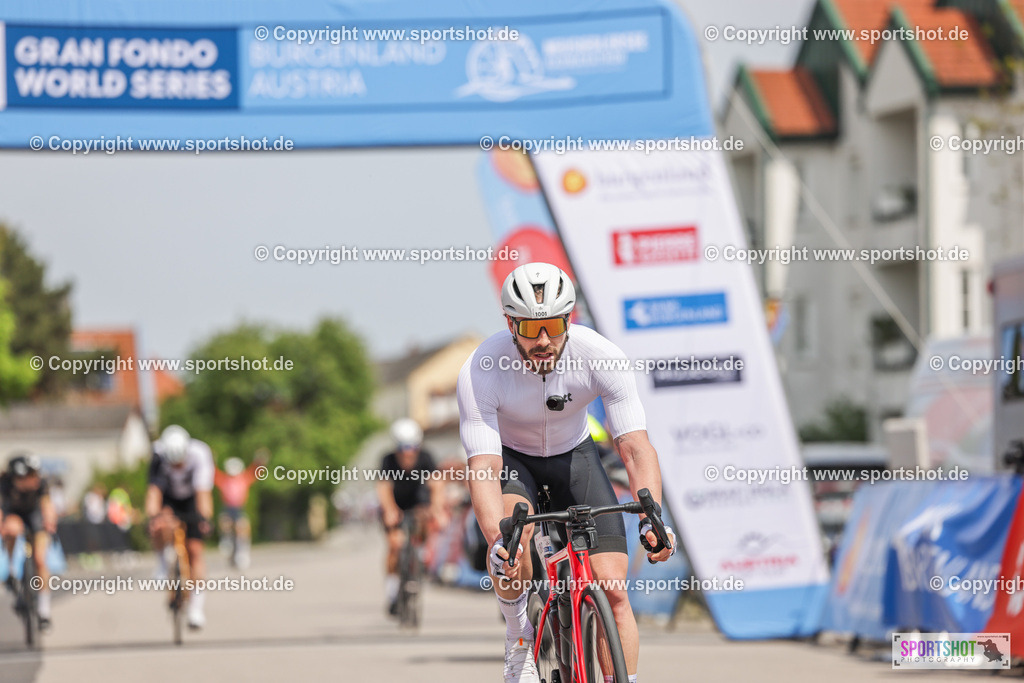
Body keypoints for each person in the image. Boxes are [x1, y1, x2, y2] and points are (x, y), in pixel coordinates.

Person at [457, 262, 676, 683]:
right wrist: (497, 542)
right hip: (512, 460)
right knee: (513, 542)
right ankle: (519, 636)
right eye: (529, 329)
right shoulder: (482, 368)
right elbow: (484, 466)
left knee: (613, 589)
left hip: (574, 457)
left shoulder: (600, 355)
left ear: (569, 318)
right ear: (509, 323)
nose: (543, 340)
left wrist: (654, 517)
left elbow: (633, 445)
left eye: (555, 326)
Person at [145, 425, 215, 629]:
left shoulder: (200, 454)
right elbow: (154, 493)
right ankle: (161, 565)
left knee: (195, 550)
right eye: (172, 464)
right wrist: (153, 518)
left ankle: (196, 609)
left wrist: (204, 519)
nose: (176, 467)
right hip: (169, 498)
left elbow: (203, 494)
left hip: (192, 497)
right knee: (159, 524)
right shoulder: (158, 455)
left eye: (179, 463)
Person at [377, 418, 445, 616]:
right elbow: (383, 487)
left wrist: (437, 509)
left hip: (417, 503)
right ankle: (392, 593)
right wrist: (390, 510)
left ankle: (420, 552)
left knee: (426, 518)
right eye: (403, 448)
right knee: (395, 544)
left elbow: (437, 485)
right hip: (395, 503)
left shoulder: (426, 458)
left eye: (412, 447)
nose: (408, 453)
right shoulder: (388, 460)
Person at [0, 453, 57, 630]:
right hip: (14, 514)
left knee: (40, 559)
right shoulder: (5, 484)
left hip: (35, 516)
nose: (35, 479)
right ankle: (11, 570)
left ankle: (44, 610)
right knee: (12, 529)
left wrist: (50, 521)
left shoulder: (41, 484)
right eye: (30, 476)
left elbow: (47, 506)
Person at [214, 450, 267, 569]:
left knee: (242, 527)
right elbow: (214, 473)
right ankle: (226, 540)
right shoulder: (224, 480)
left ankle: (243, 551)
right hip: (227, 508)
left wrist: (261, 462)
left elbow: (255, 472)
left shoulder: (244, 478)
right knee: (225, 523)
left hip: (239, 508)